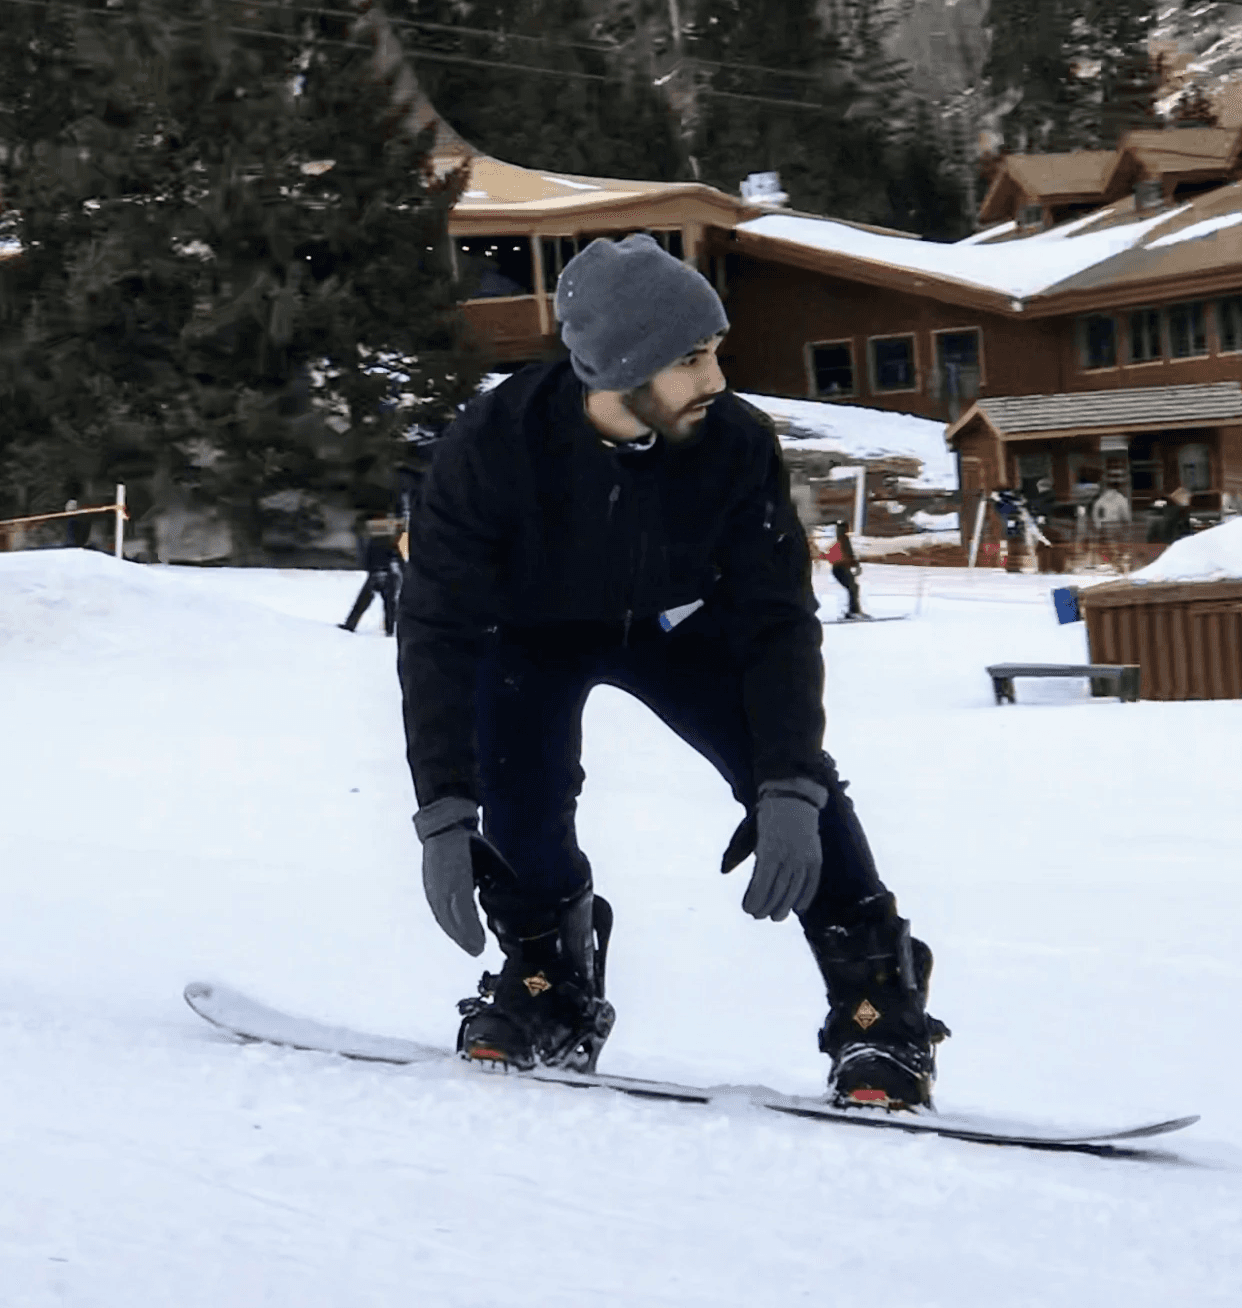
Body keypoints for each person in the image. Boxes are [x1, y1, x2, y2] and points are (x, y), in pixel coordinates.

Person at [398, 234, 948, 1110]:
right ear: (621, 368)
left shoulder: (734, 445)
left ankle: (879, 1010)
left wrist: (790, 786)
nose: (716, 379)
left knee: (796, 785)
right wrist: (442, 809)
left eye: (714, 352)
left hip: (684, 626)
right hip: (533, 634)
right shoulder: (491, 448)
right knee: (520, 795)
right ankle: (550, 980)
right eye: (693, 358)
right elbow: (435, 626)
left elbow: (777, 619)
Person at [339, 518, 403, 636]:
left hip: (379, 574)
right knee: (389, 604)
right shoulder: (391, 542)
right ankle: (390, 630)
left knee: (364, 601)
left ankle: (350, 625)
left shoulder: (376, 543)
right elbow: (399, 558)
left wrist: (374, 571)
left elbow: (368, 560)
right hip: (388, 574)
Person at [826, 520, 866, 619]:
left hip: (838, 568)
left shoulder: (839, 540)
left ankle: (854, 611)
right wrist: (856, 565)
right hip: (841, 568)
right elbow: (849, 554)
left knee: (853, 588)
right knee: (853, 588)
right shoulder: (844, 539)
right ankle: (853, 612)